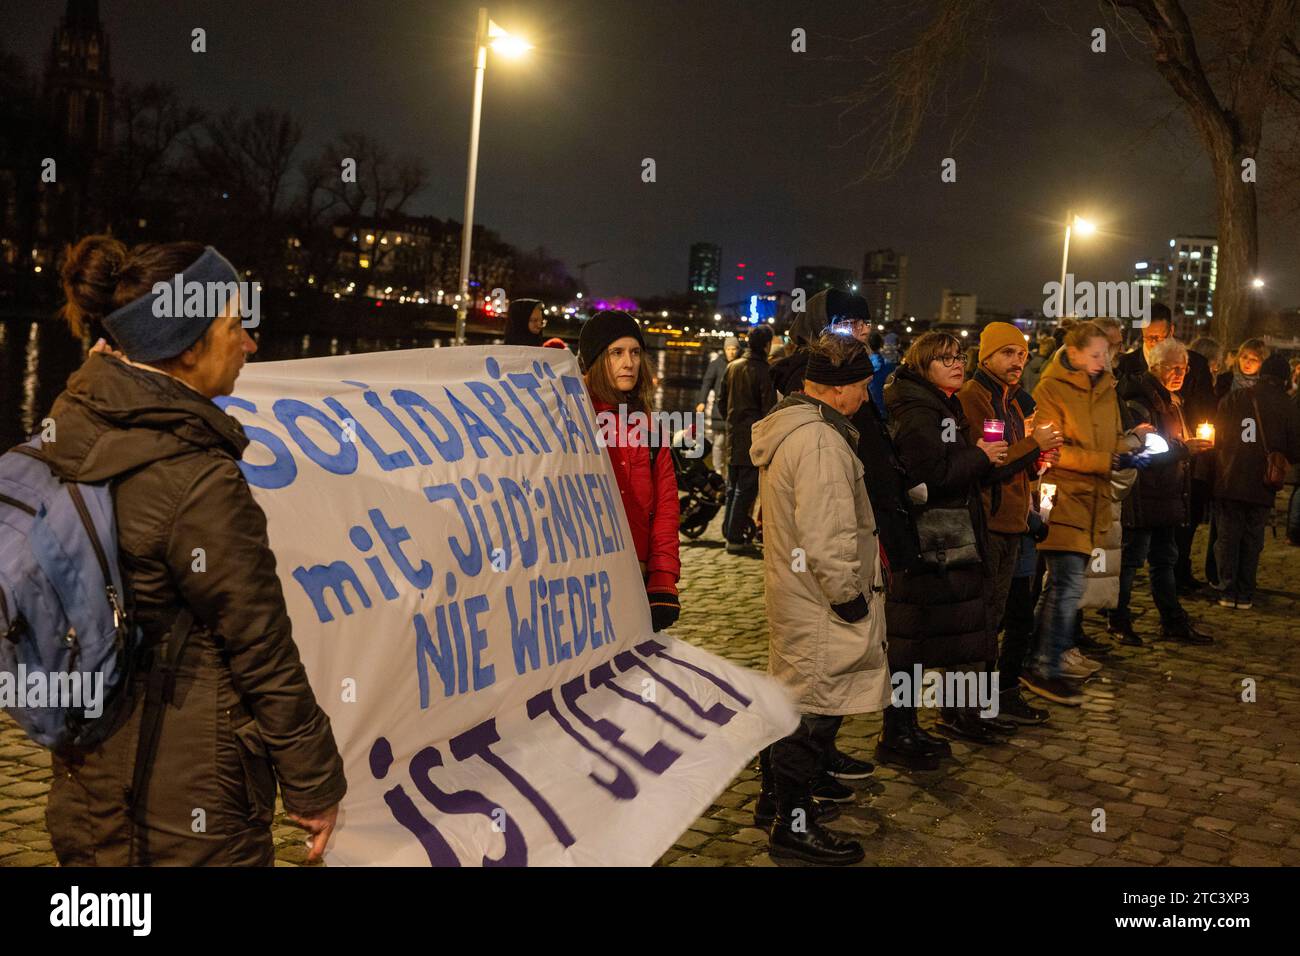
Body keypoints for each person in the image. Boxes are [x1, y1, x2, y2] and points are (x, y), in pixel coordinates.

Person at [43, 236, 347, 865]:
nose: (251, 343)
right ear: (186, 345)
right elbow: (260, 647)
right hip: (192, 803)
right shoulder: (200, 480)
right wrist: (314, 784)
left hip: (87, 778)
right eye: (236, 325)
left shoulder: (72, 424)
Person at [748, 333, 890, 865]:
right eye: (862, 385)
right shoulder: (821, 442)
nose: (866, 395)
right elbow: (828, 531)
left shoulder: (799, 428)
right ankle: (793, 825)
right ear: (837, 389)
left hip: (799, 594)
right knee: (812, 713)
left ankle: (775, 804)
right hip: (820, 602)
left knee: (798, 701)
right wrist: (849, 598)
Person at [880, 332, 1010, 766]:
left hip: (945, 540)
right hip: (928, 543)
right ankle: (898, 732)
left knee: (931, 638)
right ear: (923, 366)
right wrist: (979, 456)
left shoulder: (942, 404)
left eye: (959, 356)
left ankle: (914, 726)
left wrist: (985, 459)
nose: (956, 364)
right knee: (912, 640)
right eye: (944, 358)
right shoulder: (920, 411)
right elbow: (926, 477)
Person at [1022, 322, 1144, 706]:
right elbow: (1053, 450)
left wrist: (1134, 442)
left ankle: (1035, 659)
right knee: (1068, 586)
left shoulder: (1106, 388)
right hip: (1063, 500)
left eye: (1105, 354)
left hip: (1093, 501)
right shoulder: (1050, 389)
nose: (1102, 360)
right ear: (1072, 354)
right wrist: (1105, 459)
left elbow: (1106, 439)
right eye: (1094, 354)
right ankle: (1044, 665)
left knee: (1061, 587)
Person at [957, 322, 1063, 724]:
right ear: (985, 357)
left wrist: (1037, 460)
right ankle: (967, 708)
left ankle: (998, 697)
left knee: (1012, 616)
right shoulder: (977, 397)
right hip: (991, 523)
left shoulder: (1015, 402)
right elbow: (993, 464)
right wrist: (1036, 444)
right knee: (985, 618)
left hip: (1017, 522)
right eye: (1007, 353)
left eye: (1021, 354)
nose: (1018, 361)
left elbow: (1014, 460)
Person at [578, 311, 681, 630]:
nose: (629, 362)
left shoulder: (649, 426)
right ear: (596, 361)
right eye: (616, 353)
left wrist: (662, 580)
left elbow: (666, 506)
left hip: (635, 577)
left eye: (635, 352)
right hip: (580, 579)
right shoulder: (573, 418)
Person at [1107, 339, 1214, 645]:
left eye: (1184, 367)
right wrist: (1184, 449)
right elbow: (1138, 456)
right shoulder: (1140, 401)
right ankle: (1118, 620)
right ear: (1155, 366)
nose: (1180, 372)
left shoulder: (1170, 399)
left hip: (1166, 495)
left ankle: (1173, 620)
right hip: (1143, 496)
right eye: (1173, 367)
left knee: (1164, 560)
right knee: (1130, 563)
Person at [1213, 353, 1300, 609]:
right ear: (1284, 379)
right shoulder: (1289, 406)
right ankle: (1246, 592)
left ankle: (1227, 590)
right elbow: (1295, 450)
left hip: (1231, 476)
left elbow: (1218, 437)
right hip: (1264, 482)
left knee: (1228, 536)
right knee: (1252, 538)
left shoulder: (1236, 398)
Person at [718, 324, 776, 554]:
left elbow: (722, 402)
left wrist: (732, 421)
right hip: (753, 437)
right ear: (765, 344)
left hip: (733, 433)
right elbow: (769, 409)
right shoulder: (763, 371)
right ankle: (734, 537)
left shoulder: (732, 367)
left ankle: (728, 531)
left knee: (733, 486)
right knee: (746, 489)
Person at [696, 335, 739, 477]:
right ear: (724, 349)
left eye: (734, 349)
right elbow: (707, 383)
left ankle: (730, 473)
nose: (731, 352)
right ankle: (718, 471)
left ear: (738, 350)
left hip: (738, 409)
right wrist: (701, 401)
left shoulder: (742, 363)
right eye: (729, 349)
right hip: (720, 409)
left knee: (733, 444)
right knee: (719, 442)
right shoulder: (716, 364)